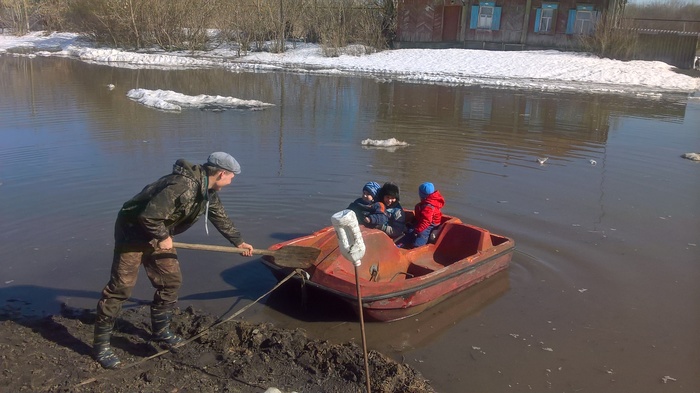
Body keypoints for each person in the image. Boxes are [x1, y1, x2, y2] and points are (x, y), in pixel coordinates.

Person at [93, 152, 254, 369]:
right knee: (121, 288)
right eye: (232, 176)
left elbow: (219, 216)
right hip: (133, 233)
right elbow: (147, 217)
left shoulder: (207, 191)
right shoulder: (183, 186)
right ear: (222, 173)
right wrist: (163, 236)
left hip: (159, 232)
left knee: (170, 281)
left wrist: (238, 242)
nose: (232, 180)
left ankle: (161, 332)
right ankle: (101, 347)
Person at [403, 182, 445, 248]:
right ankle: (405, 241)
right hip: (424, 221)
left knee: (422, 234)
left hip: (431, 224)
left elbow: (426, 221)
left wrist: (418, 230)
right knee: (411, 229)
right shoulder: (428, 203)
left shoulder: (429, 207)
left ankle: (418, 246)